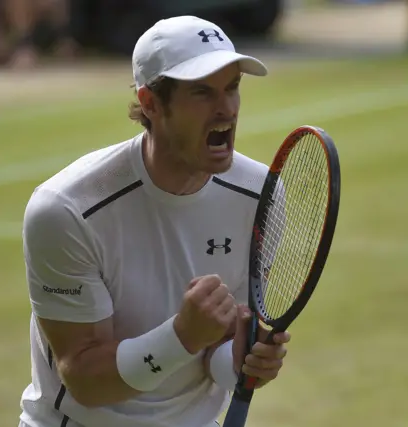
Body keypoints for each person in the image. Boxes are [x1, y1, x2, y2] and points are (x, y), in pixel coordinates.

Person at [18, 15, 290, 427]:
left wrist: (239, 361)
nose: (226, 109)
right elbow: (86, 380)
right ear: (150, 103)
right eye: (202, 92)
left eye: (232, 87)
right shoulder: (66, 210)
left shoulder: (262, 196)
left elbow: (215, 353)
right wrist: (181, 335)